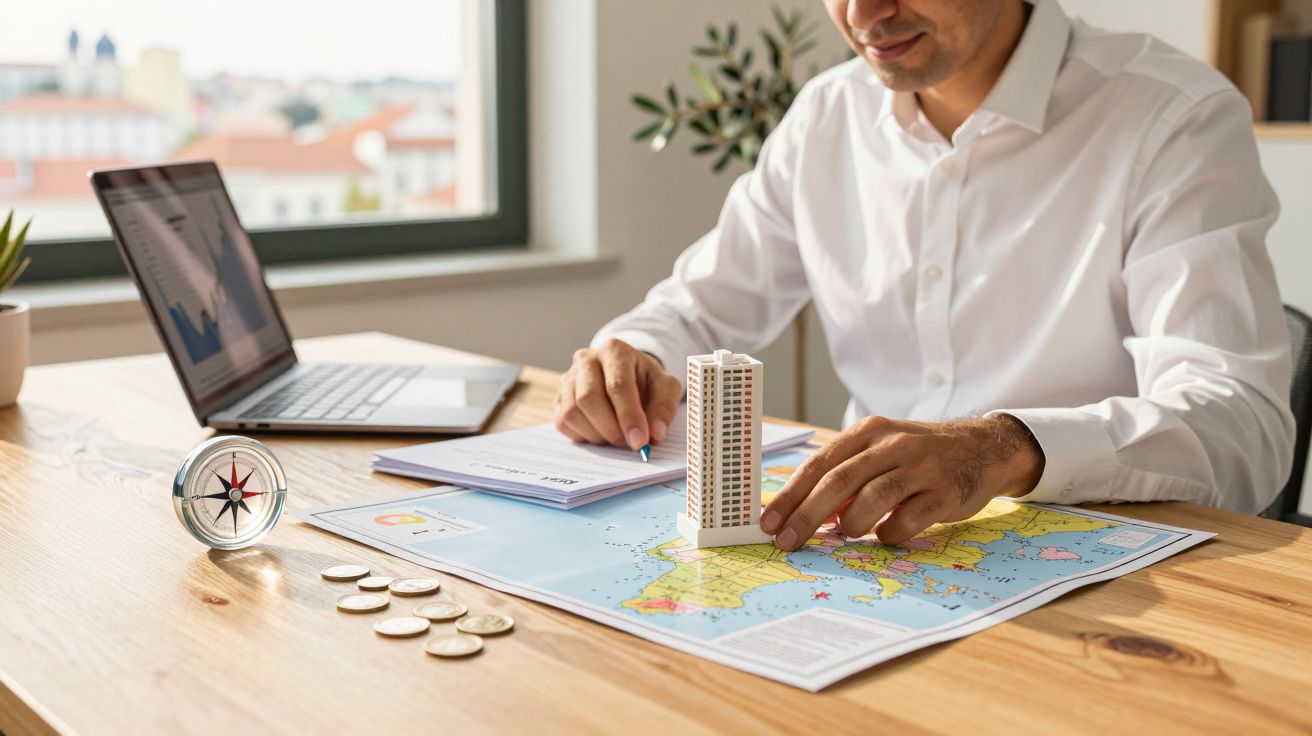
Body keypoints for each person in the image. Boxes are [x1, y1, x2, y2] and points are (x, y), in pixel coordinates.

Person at [552, 0, 1294, 551]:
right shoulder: (827, 116)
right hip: (873, 559)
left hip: (1102, 573)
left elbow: (1243, 429)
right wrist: (636, 354)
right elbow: (701, 307)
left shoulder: (1173, 118)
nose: (861, 15)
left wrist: (1007, 448)